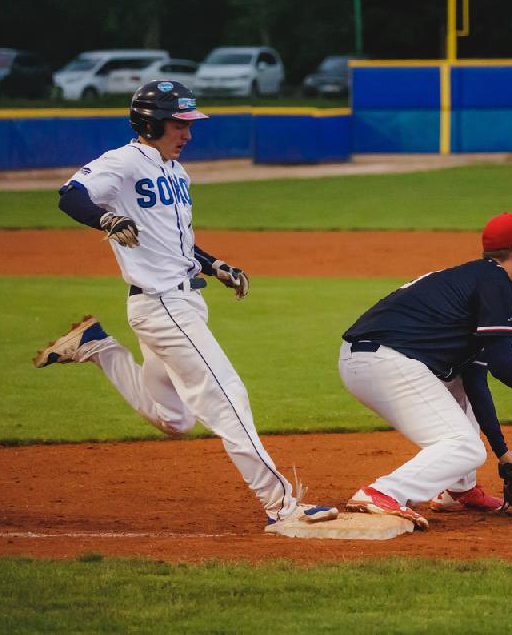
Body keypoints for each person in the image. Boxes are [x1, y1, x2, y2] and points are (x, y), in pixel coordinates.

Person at [32, 80, 337, 533]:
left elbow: (177, 243)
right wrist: (106, 219)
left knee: (175, 419)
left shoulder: (176, 172)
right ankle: (281, 506)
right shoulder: (123, 161)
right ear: (151, 122)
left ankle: (97, 347)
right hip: (162, 306)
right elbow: (70, 195)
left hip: (184, 300)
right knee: (228, 395)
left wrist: (214, 265)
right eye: (179, 124)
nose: (188, 134)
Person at [338, 212, 512, 529]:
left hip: (376, 358)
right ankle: (382, 493)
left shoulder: (479, 280)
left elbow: (476, 381)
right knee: (463, 446)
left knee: (460, 393)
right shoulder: (496, 284)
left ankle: (460, 490)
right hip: (383, 361)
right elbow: (503, 365)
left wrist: (503, 452)